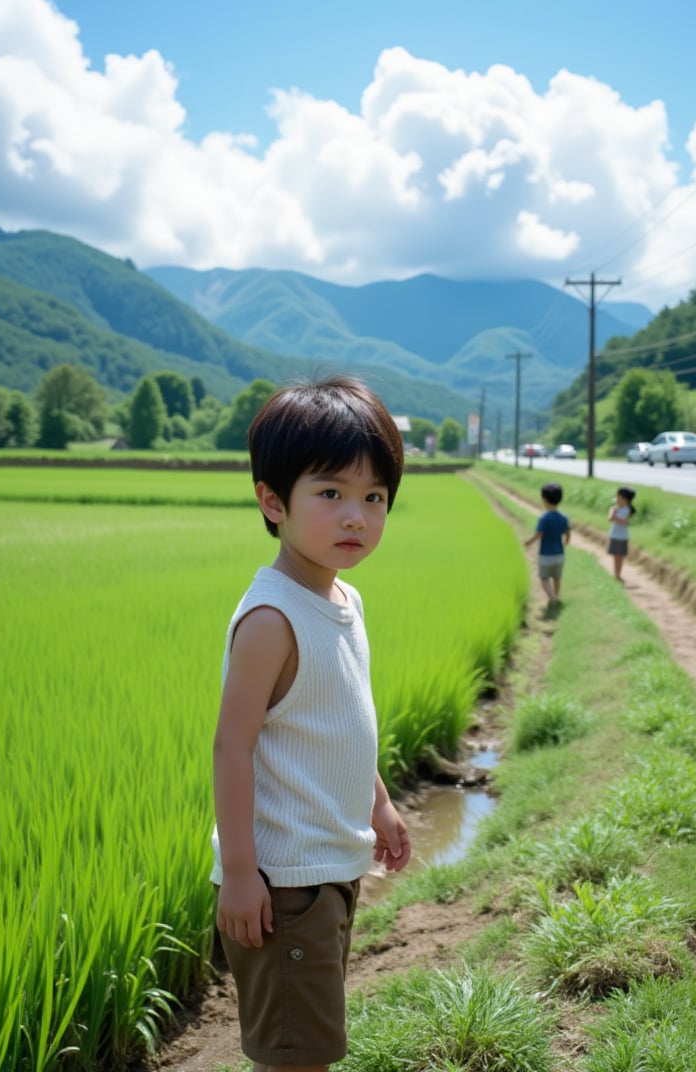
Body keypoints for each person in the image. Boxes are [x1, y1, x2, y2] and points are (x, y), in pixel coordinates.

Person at [211, 375, 412, 1072]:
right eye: (330, 493)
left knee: (307, 1045)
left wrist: (379, 803)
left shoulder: (344, 598)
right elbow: (232, 747)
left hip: (330, 865)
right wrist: (240, 872)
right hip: (283, 881)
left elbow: (341, 722)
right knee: (298, 1057)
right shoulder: (272, 619)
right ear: (273, 501)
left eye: (374, 497)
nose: (356, 516)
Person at [524, 482, 571, 608]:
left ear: (544, 500)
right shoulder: (564, 517)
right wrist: (566, 541)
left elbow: (539, 535)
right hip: (560, 554)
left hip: (546, 555)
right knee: (557, 577)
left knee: (544, 578)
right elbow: (567, 532)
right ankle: (556, 595)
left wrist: (528, 542)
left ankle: (553, 598)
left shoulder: (544, 518)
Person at [607, 486, 637, 583]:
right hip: (614, 535)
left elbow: (625, 522)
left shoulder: (628, 510)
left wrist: (615, 516)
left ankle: (618, 574)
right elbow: (610, 519)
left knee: (620, 557)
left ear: (625, 499)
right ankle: (616, 574)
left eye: (619, 497)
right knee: (615, 556)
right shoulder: (614, 508)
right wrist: (613, 514)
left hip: (622, 537)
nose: (617, 499)